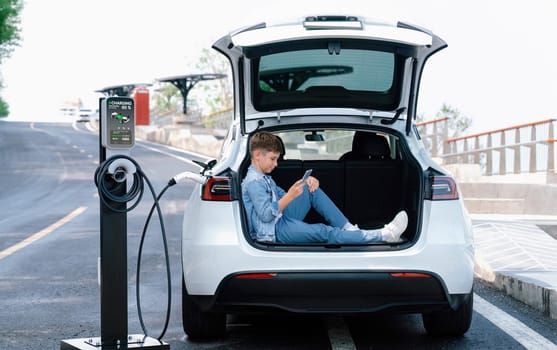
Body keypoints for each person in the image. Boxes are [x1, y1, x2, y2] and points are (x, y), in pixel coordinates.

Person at [241, 131, 408, 244]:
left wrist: (303, 185)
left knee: (310, 189)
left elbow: (282, 196)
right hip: (274, 231)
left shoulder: (263, 177)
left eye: (277, 159)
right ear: (257, 155)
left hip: (280, 218)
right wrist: (290, 196)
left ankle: (348, 229)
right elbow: (265, 215)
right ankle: (384, 235)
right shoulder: (254, 182)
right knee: (323, 231)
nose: (276, 164)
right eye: (273, 159)